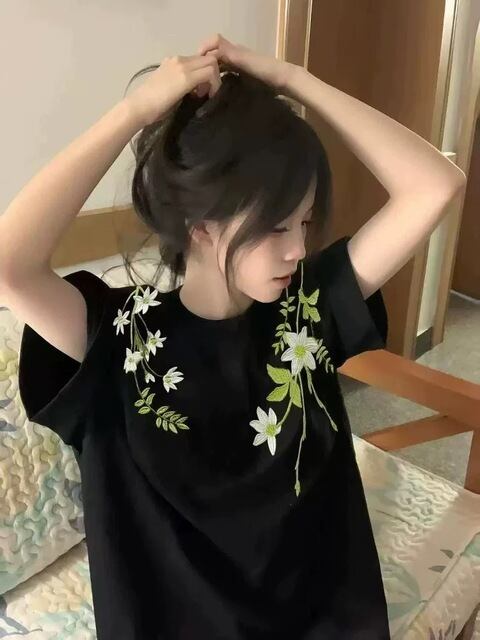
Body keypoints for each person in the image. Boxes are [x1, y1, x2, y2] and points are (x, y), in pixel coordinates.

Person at [0, 32, 465, 640]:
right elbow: (10, 264)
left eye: (304, 223)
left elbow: (435, 184)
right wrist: (136, 111)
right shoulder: (118, 338)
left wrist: (295, 79)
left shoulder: (308, 310)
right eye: (275, 227)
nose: (299, 248)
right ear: (200, 224)